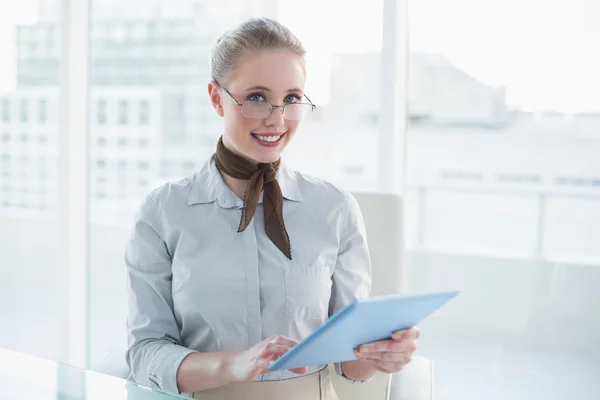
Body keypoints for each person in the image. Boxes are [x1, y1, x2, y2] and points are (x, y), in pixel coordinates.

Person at [125, 17, 420, 400]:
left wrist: (383, 353)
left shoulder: (335, 209)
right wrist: (231, 366)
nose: (276, 119)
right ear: (217, 99)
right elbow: (144, 353)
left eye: (292, 99)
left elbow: (351, 364)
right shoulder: (163, 212)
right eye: (257, 97)